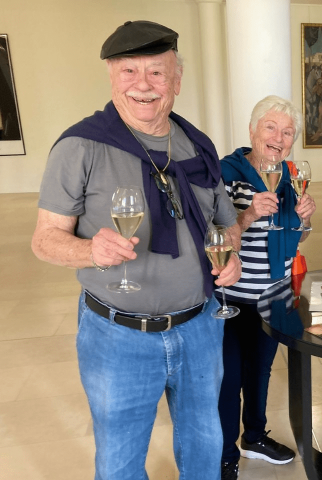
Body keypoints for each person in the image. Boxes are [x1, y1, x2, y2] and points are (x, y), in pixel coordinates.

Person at [30, 21, 242, 480]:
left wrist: (233, 254)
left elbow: (226, 223)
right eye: (129, 71)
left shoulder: (196, 143)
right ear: (111, 76)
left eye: (157, 73)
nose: (143, 85)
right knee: (120, 460)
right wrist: (89, 251)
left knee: (206, 445)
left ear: (177, 81)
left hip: (201, 327)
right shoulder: (79, 145)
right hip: (118, 336)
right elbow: (44, 240)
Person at [217, 95, 316, 480]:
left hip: (275, 294)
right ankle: (226, 456)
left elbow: (297, 238)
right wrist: (248, 213)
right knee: (230, 378)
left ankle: (254, 436)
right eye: (271, 128)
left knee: (261, 370)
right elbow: (216, 241)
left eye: (287, 132)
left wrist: (305, 221)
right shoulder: (225, 173)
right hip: (236, 296)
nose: (278, 138)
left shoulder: (291, 174)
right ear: (252, 130)